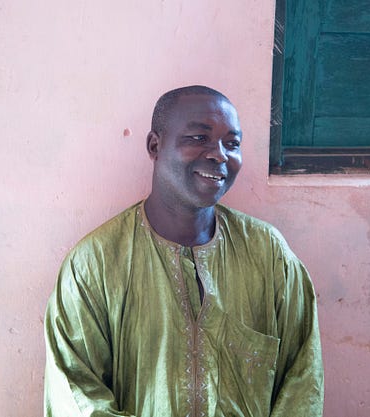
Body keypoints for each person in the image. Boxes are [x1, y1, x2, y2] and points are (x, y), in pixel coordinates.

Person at [43, 85, 324, 417]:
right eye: (199, 138)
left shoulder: (270, 255)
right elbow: (76, 399)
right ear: (155, 146)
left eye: (232, 144)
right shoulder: (95, 265)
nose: (220, 155)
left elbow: (302, 384)